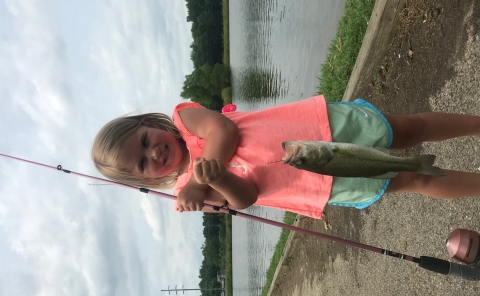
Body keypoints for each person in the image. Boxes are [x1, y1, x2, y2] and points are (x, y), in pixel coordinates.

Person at [91, 96, 480, 219]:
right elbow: (245, 198)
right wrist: (213, 183)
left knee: (405, 130)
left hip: (318, 128)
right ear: (144, 180)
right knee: (414, 179)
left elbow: (223, 130)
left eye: (145, 140)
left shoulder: (185, 120)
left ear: (148, 122)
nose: (153, 152)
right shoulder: (189, 195)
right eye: (143, 163)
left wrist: (198, 177)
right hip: (319, 182)